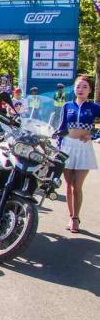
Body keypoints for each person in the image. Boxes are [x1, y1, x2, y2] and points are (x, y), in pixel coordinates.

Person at [56, 75, 99, 233]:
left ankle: (75, 218)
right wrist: (58, 146)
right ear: (74, 88)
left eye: (85, 87)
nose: (81, 89)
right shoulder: (67, 106)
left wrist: (93, 134)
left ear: (90, 90)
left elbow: (95, 127)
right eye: (78, 86)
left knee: (77, 186)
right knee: (69, 185)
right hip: (68, 147)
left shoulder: (94, 107)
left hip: (84, 148)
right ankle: (71, 215)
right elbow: (61, 128)